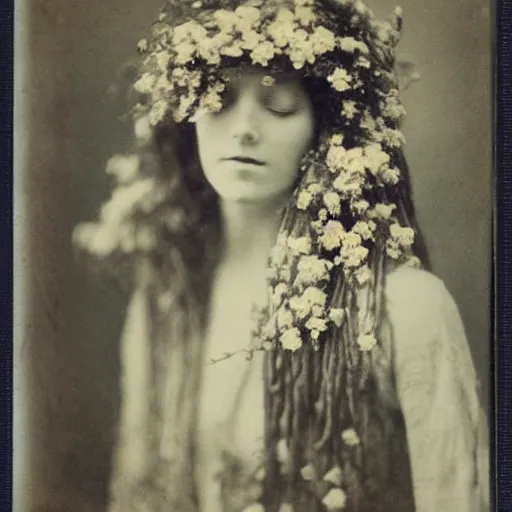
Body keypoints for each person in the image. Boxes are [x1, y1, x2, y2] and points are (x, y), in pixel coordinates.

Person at [73, 0, 489, 510]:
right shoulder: (167, 303)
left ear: (324, 131)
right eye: (219, 99)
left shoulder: (407, 309)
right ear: (187, 119)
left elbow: (457, 493)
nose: (245, 127)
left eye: (280, 105)